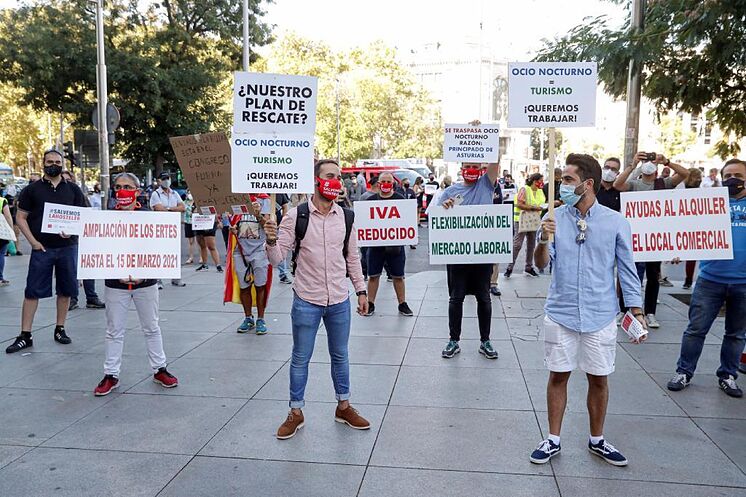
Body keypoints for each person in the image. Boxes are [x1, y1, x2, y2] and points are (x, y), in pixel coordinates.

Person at [529, 153, 645, 466]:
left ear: (587, 184)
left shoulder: (615, 221)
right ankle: (553, 439)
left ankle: (597, 440)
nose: (561, 186)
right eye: (561, 180)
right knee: (558, 376)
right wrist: (543, 239)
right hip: (561, 313)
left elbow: (627, 269)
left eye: (567, 180)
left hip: (600, 315)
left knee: (599, 379)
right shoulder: (553, 217)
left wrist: (635, 308)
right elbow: (541, 266)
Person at [264, 159, 370, 440]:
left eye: (338, 176)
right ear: (315, 180)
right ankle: (295, 412)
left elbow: (352, 258)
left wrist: (361, 291)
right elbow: (277, 259)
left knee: (341, 355)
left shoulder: (346, 217)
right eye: (329, 176)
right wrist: (271, 241)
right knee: (300, 357)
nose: (335, 181)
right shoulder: (296, 216)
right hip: (306, 300)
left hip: (338, 299)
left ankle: (344, 406)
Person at [93, 172, 178, 396]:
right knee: (114, 331)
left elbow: (160, 250)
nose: (123, 191)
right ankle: (111, 374)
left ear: (137, 191)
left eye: (128, 187)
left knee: (152, 327)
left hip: (146, 283)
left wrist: (145, 274)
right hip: (115, 284)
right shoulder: (106, 220)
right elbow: (100, 251)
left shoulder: (149, 217)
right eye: (119, 186)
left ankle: (160, 369)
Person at [667, 158, 746, 398]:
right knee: (695, 330)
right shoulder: (709, 204)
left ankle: (728, 375)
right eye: (728, 174)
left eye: (739, 176)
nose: (733, 179)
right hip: (711, 279)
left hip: (743, 282)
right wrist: (679, 248)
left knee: (736, 333)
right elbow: (688, 231)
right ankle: (684, 371)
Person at [5, 150, 87, 353]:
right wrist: (32, 242)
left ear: (62, 164)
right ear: (43, 163)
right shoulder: (31, 190)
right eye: (49, 161)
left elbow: (84, 216)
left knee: (66, 290)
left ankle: (60, 328)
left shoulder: (74, 190)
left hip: (68, 248)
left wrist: (74, 231)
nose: (54, 164)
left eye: (57, 162)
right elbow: (20, 218)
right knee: (32, 291)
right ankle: (25, 334)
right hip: (42, 248)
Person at [613, 152, 690, 328]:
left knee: (653, 277)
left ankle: (650, 313)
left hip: (654, 240)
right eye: (646, 160)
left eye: (651, 161)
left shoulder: (664, 184)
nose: (649, 164)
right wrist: (633, 165)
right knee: (632, 276)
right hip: (635, 239)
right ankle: (625, 310)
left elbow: (685, 174)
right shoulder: (634, 184)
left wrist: (667, 162)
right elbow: (618, 184)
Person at [437, 161, 501, 361]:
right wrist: (446, 208)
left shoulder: (485, 184)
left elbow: (495, 161)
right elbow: (439, 220)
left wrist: (480, 134)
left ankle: (485, 341)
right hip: (458, 255)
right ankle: (453, 340)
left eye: (475, 165)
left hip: (482, 255)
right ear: (461, 167)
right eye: (468, 165)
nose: (471, 169)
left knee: (484, 298)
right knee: (456, 298)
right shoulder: (450, 191)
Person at [362, 172, 413, 317]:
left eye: (388, 181)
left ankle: (402, 304)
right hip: (375, 246)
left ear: (393, 184)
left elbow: (406, 221)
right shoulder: (370, 201)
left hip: (395, 246)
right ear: (378, 183)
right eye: (382, 181)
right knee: (373, 275)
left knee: (398, 276)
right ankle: (370, 303)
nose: (385, 184)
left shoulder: (400, 199)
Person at [60, 171, 106, 311]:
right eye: (63, 180)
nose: (66, 182)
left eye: (69, 179)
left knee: (87, 268)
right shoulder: (56, 197)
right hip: (66, 240)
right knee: (72, 270)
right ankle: (73, 298)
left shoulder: (79, 195)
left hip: (83, 237)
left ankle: (91, 297)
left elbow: (88, 214)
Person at [232, 195, 272, 334]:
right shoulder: (238, 198)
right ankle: (248, 318)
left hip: (259, 250)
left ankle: (261, 319)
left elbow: (268, 225)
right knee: (244, 286)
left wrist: (258, 214)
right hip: (240, 250)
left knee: (260, 286)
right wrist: (232, 229)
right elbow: (233, 222)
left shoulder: (265, 200)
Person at [505, 173, 546, 278]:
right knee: (517, 244)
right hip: (521, 220)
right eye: (540, 180)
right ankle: (509, 267)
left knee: (531, 244)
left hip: (534, 220)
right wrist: (533, 208)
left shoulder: (540, 191)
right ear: (534, 181)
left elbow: (541, 203)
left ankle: (529, 267)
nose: (542, 182)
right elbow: (519, 204)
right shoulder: (524, 189)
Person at [150, 172, 187, 286]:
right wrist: (173, 209)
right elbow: (159, 208)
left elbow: (183, 207)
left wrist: (169, 208)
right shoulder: (156, 194)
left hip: (173, 227)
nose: (166, 181)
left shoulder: (174, 193)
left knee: (174, 252)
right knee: (159, 252)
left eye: (168, 178)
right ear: (159, 181)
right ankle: (158, 279)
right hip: (160, 227)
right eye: (164, 179)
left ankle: (176, 277)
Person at [681, 168, 703, 289]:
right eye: (697, 176)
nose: (699, 179)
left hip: (694, 224)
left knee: (692, 255)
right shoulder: (681, 189)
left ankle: (688, 279)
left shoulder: (700, 191)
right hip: (682, 223)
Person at [490, 179, 504, 296]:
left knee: (494, 256)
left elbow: (499, 203)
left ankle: (493, 283)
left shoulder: (496, 186)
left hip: (492, 225)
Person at [274, 193, 292, 284]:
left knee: (279, 249)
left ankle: (283, 274)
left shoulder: (279, 192)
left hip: (277, 226)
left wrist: (283, 222)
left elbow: (285, 206)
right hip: (260, 226)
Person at [0, 192, 13, 286]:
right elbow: (8, 216)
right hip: (1, 232)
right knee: (1, 254)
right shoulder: (2, 201)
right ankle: (0, 278)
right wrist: (11, 231)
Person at [183, 192, 196, 264]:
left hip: (197, 222)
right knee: (190, 241)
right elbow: (181, 209)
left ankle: (201, 257)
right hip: (188, 222)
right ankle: (191, 257)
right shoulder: (184, 202)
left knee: (200, 240)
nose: (189, 194)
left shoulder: (197, 201)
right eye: (188, 192)